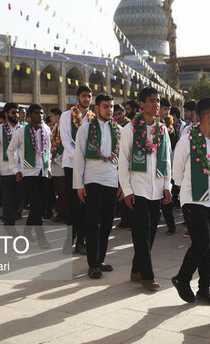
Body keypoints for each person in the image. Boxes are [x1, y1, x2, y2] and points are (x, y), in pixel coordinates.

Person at [172, 97, 210, 304]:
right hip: (194, 200)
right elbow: (177, 173)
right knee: (201, 243)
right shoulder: (187, 140)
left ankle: (204, 288)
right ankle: (182, 278)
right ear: (207, 116)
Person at [119, 87, 172, 291]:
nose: (156, 104)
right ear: (141, 104)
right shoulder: (129, 129)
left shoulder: (162, 129)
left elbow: (166, 158)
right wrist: (127, 189)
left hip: (157, 187)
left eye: (158, 101)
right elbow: (123, 161)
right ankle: (147, 276)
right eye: (151, 100)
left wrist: (167, 186)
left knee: (150, 233)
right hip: (138, 187)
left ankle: (135, 269)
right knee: (141, 232)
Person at [73, 93, 122, 279]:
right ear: (97, 109)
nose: (109, 110)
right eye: (105, 107)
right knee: (93, 223)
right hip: (92, 180)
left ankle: (100, 259)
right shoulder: (85, 129)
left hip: (111, 181)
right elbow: (78, 158)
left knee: (108, 223)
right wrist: (79, 184)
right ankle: (92, 264)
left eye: (111, 107)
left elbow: (123, 162)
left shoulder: (119, 130)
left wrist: (123, 184)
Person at [7, 104, 52, 248]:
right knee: (37, 205)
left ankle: (27, 231)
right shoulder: (21, 132)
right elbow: (10, 151)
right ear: (30, 115)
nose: (40, 116)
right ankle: (41, 237)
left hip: (43, 172)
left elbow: (48, 150)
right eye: (37, 113)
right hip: (28, 173)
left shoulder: (46, 130)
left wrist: (48, 167)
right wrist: (15, 169)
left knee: (38, 206)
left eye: (42, 113)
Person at [60, 86, 94, 254]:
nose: (86, 99)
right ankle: (68, 241)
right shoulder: (66, 116)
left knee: (86, 206)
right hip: (72, 166)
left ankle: (81, 241)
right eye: (83, 96)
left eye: (89, 96)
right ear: (77, 97)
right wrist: (79, 159)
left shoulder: (93, 118)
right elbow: (66, 140)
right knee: (73, 205)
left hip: (89, 168)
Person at [0, 102, 23, 231]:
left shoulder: (23, 129)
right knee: (7, 200)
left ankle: (11, 217)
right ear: (6, 114)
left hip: (21, 170)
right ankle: (10, 227)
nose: (16, 115)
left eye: (17, 112)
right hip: (5, 171)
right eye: (13, 112)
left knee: (20, 197)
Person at [159, 98, 177, 235]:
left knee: (167, 196)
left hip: (167, 164)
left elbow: (173, 146)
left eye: (168, 110)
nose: (167, 112)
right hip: (154, 164)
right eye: (164, 109)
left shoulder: (170, 126)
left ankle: (171, 225)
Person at [48, 107, 66, 223]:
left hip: (62, 162)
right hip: (55, 163)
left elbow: (63, 145)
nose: (50, 118)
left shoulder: (63, 128)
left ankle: (65, 214)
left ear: (58, 116)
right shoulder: (55, 128)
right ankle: (61, 213)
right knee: (58, 191)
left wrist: (57, 158)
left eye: (52, 115)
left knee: (63, 192)